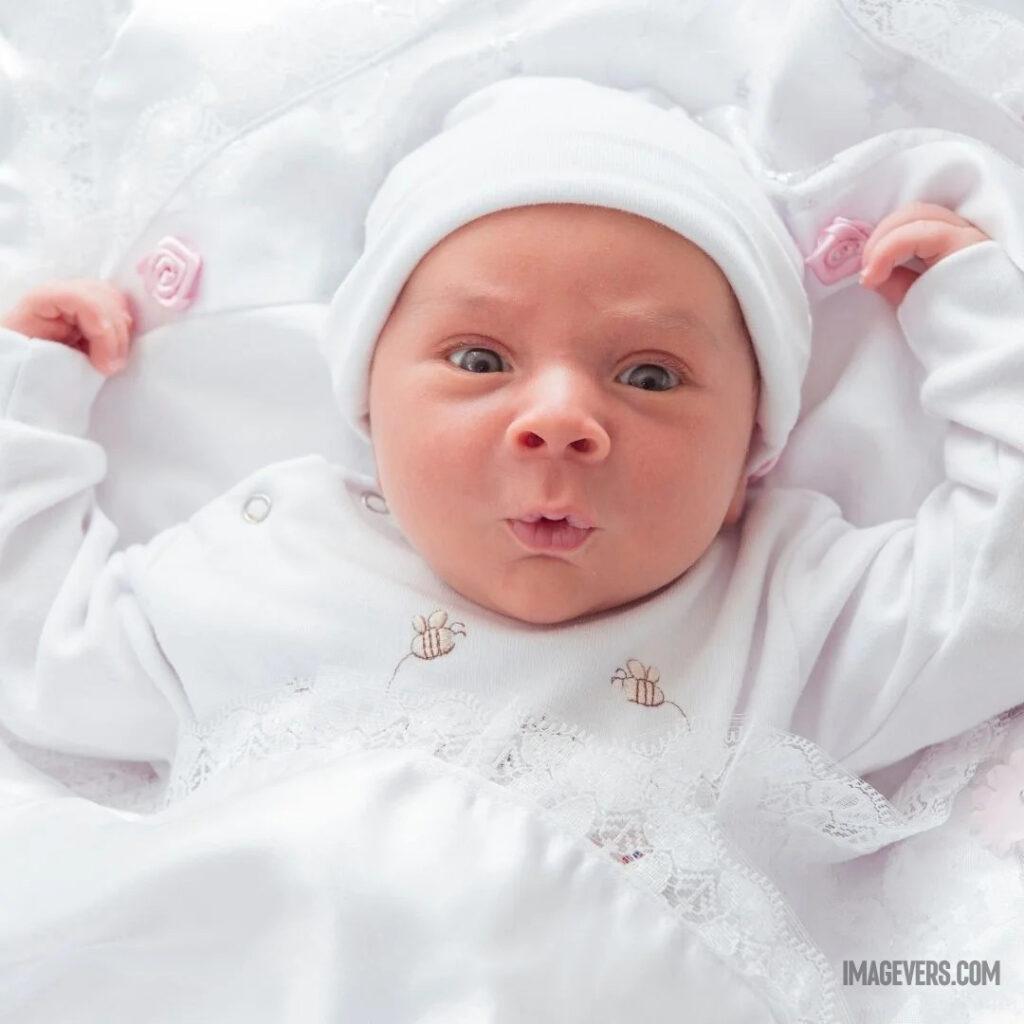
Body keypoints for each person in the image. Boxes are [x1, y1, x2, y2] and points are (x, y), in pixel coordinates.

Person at [0, 76, 1021, 788]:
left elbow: (998, 594)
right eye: (481, 361)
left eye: (651, 374)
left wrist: (982, 319)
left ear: (754, 441)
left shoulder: (780, 621)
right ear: (367, 401)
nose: (561, 421)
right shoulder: (272, 571)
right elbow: (37, 645)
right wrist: (22, 398)